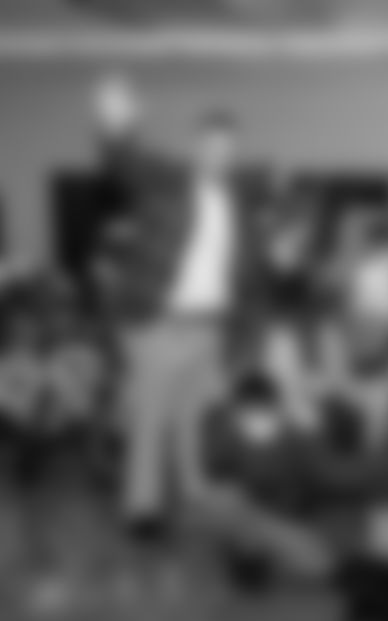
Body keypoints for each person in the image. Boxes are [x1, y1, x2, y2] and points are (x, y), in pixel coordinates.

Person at [93, 75, 270, 573]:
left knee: (193, 416)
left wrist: (246, 321)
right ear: (197, 146)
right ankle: (142, 510)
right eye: (211, 145)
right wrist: (117, 124)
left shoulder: (238, 201)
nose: (219, 155)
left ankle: (194, 494)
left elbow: (245, 269)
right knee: (150, 417)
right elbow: (123, 162)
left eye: (227, 148)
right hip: (160, 322)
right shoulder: (168, 181)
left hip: (208, 324)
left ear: (234, 152)